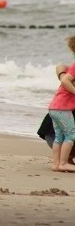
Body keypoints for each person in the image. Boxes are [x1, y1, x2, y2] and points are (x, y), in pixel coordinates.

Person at [47, 37, 75, 172]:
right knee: (70, 134)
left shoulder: (72, 67)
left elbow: (61, 69)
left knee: (59, 136)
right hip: (63, 108)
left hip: (55, 107)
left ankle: (56, 164)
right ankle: (63, 163)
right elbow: (65, 81)